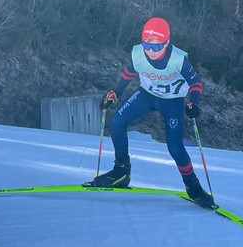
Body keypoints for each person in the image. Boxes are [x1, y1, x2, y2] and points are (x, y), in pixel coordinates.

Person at [88, 17, 215, 209]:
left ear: (167, 42)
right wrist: (116, 92)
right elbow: (128, 74)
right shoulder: (138, 54)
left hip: (172, 102)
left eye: (156, 47)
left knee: (175, 147)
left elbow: (195, 83)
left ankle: (194, 188)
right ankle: (121, 171)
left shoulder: (178, 59)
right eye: (146, 44)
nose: (150, 51)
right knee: (117, 121)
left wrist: (194, 102)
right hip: (146, 95)